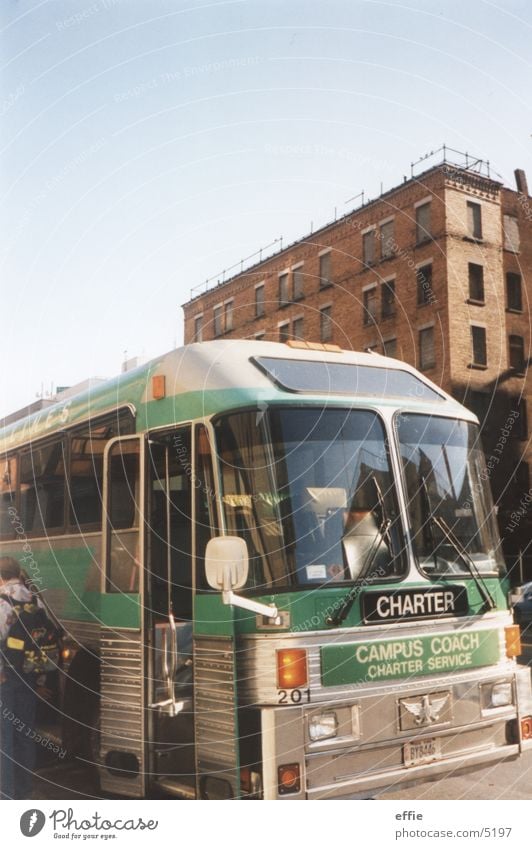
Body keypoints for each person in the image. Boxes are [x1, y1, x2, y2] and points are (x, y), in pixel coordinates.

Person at [0, 556, 39, 799]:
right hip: (30, 674)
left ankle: (6, 794)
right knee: (25, 734)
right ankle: (24, 792)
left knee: (4, 737)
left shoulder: (3, 601)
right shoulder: (36, 599)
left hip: (5, 678)